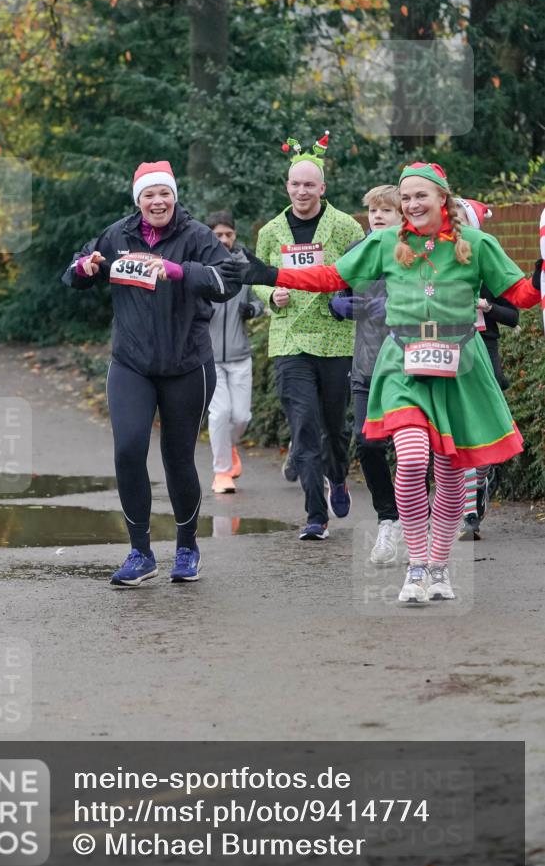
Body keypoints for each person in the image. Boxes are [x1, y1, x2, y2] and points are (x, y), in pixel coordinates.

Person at [223, 161, 541, 603]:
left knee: (450, 473)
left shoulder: (477, 243)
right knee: (411, 460)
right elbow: (332, 276)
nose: (411, 205)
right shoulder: (385, 242)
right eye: (405, 197)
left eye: (420, 196)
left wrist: (541, 270)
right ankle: (415, 568)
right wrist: (271, 275)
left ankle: (438, 565)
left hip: (459, 366)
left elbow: (522, 295)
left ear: (442, 199)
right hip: (403, 364)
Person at [62, 160, 240, 587]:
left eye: (164, 194)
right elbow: (76, 269)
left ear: (174, 197)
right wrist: (84, 269)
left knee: (177, 457)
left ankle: (186, 547)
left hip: (186, 365)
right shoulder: (118, 235)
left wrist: (180, 271)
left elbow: (229, 279)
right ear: (138, 200)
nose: (157, 201)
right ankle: (140, 553)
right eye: (149, 195)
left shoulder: (197, 236)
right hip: (132, 364)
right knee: (128, 449)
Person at [252, 133, 364, 541]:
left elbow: (362, 273)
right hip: (290, 340)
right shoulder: (270, 232)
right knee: (303, 425)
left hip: (334, 338)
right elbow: (257, 279)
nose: (302, 191)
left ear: (322, 188)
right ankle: (315, 515)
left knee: (334, 427)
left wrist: (345, 295)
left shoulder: (346, 226)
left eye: (309, 184)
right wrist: (271, 294)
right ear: (287, 187)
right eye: (295, 184)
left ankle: (338, 476)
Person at [328, 185, 403, 564]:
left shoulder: (413, 254)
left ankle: (412, 521)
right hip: (366, 368)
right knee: (368, 444)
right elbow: (333, 293)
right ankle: (388, 519)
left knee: (411, 454)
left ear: (403, 215)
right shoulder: (355, 253)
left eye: (386, 210)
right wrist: (340, 304)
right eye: (373, 210)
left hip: (408, 368)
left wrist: (383, 306)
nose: (377, 215)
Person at [454, 198, 519, 541]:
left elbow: (513, 316)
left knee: (476, 437)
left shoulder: (484, 264)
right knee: (456, 433)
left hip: (484, 350)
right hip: (449, 349)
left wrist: (486, 305)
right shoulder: (437, 263)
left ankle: (473, 503)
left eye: (462, 219)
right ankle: (465, 512)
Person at [206, 210, 264, 494]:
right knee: (220, 414)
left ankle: (228, 451)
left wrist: (252, 309)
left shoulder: (245, 264)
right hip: (209, 356)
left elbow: (261, 300)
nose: (224, 239)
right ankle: (221, 472)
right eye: (218, 235)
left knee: (242, 416)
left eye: (229, 234)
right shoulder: (200, 266)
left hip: (241, 354)